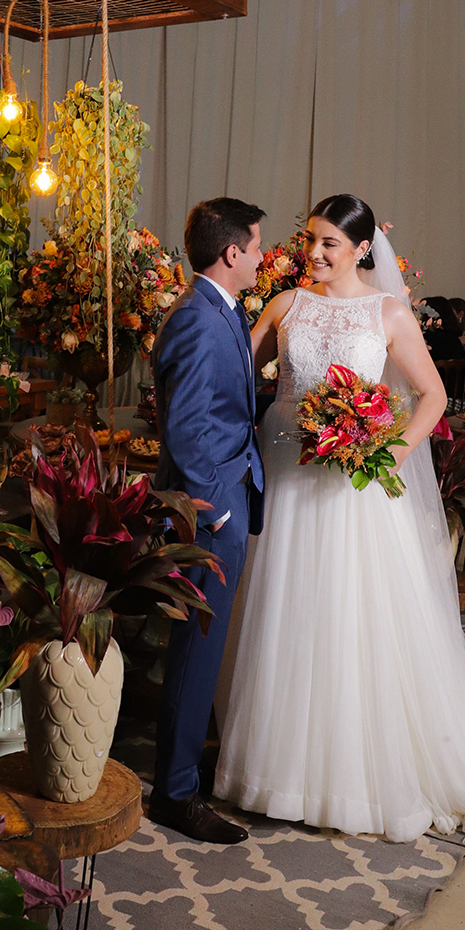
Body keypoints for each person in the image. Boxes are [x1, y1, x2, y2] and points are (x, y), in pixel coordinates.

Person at [214, 194, 465, 882]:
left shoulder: (389, 313)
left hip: (354, 489)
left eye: (329, 244)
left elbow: (431, 396)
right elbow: (233, 376)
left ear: (362, 250)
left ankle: (347, 775)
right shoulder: (285, 306)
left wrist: (387, 453)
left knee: (351, 618)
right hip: (287, 476)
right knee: (286, 609)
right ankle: (274, 768)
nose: (314, 254)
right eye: (309, 240)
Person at [149, 197, 266, 844]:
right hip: (207, 513)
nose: (262, 257)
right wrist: (217, 511)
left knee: (205, 648)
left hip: (230, 494)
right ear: (231, 252)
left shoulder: (222, 309)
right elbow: (187, 428)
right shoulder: (197, 318)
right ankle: (174, 794)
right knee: (196, 652)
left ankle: (185, 774)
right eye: (257, 246)